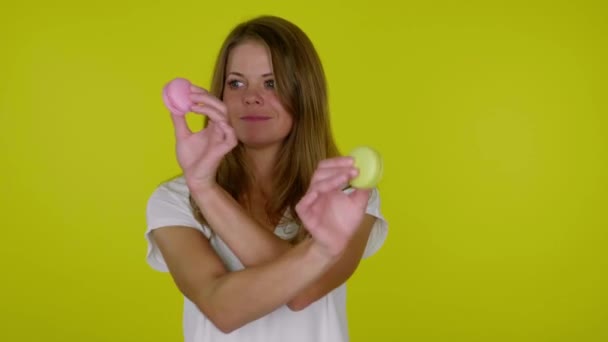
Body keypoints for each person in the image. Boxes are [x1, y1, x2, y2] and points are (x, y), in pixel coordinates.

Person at [144, 15, 388, 342]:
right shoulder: (174, 199)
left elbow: (304, 293)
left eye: (271, 83)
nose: (251, 97)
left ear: (304, 95)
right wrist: (202, 186)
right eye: (236, 83)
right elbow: (222, 308)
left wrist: (319, 253)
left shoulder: (346, 193)